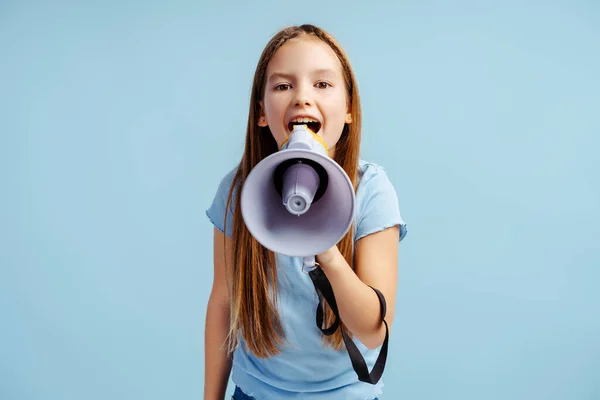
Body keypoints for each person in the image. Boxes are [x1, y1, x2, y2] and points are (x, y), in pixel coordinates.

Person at [205, 24, 408, 400]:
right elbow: (223, 303)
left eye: (322, 85)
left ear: (348, 110)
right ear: (262, 112)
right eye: (283, 86)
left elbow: (372, 329)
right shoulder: (238, 193)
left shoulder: (372, 192)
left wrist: (326, 248)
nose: (302, 98)